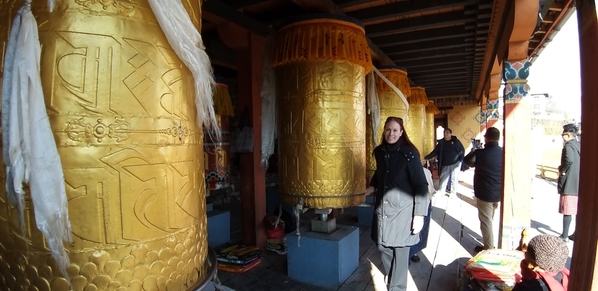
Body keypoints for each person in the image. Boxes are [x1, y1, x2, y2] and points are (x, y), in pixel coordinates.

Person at [364, 116, 429, 291]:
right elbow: (381, 171)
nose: (390, 133)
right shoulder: (380, 151)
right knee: (382, 245)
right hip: (383, 209)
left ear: (401, 132)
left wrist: (419, 215)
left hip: (404, 211)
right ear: (384, 131)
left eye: (395, 130)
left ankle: (397, 287)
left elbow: (421, 184)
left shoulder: (409, 153)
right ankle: (393, 280)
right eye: (388, 130)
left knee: (400, 252)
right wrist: (373, 185)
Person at [463, 127, 502, 253]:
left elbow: (467, 161)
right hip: (499, 193)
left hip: (485, 193)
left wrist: (474, 150)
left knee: (486, 222)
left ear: (486, 138)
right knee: (490, 220)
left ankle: (489, 248)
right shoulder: (503, 153)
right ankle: (489, 242)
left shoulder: (480, 153)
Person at [557, 124, 580, 242]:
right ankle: (576, 233)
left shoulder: (568, 146)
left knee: (567, 209)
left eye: (563, 135)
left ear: (568, 135)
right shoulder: (579, 146)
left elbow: (569, 160)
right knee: (577, 210)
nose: (562, 137)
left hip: (569, 181)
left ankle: (564, 235)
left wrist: (563, 170)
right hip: (578, 181)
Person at [424, 128, 465, 196]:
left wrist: (460, 160)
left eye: (447, 133)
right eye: (444, 133)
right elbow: (435, 151)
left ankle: (453, 193)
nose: (445, 134)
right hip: (445, 163)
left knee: (454, 178)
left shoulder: (456, 142)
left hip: (455, 164)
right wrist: (426, 157)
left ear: (450, 134)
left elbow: (462, 150)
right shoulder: (441, 143)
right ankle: (441, 190)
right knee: (443, 177)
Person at [409, 164, 436, 263]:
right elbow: (431, 191)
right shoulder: (425, 171)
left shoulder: (424, 171)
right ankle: (413, 251)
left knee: (417, 230)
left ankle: (413, 251)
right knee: (417, 230)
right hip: (411, 205)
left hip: (419, 204)